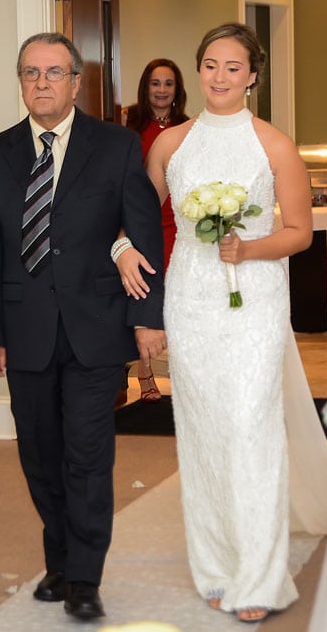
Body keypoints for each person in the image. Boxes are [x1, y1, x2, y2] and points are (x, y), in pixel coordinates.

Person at [119, 22, 315, 624]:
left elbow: (300, 232)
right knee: (202, 432)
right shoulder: (169, 145)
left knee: (251, 427)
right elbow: (136, 217)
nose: (220, 77)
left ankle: (259, 574)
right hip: (192, 298)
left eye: (233, 67)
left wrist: (249, 249)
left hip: (253, 300)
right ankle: (214, 566)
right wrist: (120, 249)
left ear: (253, 74)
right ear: (197, 70)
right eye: (210, 65)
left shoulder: (274, 144)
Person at [0, 32, 166, 621]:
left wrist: (145, 319)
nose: (42, 83)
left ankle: (84, 576)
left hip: (96, 328)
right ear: (21, 81)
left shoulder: (116, 146)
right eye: (31, 73)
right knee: (39, 454)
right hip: (22, 330)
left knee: (86, 454)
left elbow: (141, 233)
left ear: (77, 82)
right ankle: (58, 558)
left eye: (54, 73)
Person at [121, 58, 190, 402]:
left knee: (177, 294)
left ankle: (183, 369)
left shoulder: (189, 128)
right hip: (143, 220)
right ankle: (144, 372)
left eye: (168, 84)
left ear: (177, 90)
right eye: (155, 83)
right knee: (144, 289)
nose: (161, 90)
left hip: (179, 221)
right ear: (145, 87)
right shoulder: (128, 125)